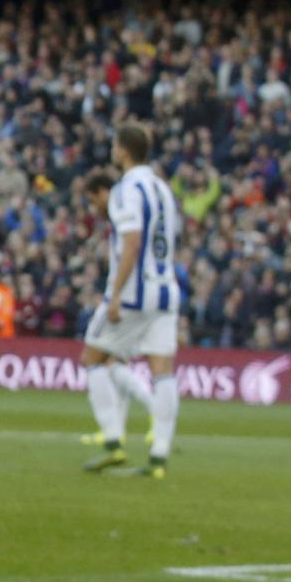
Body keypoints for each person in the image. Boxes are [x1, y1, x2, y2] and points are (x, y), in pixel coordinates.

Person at [76, 125, 180, 477]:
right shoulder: (163, 189)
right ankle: (159, 458)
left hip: (136, 290)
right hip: (167, 286)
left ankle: (113, 442)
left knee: (92, 357)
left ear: (122, 151)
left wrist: (117, 292)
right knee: (162, 370)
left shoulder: (125, 189)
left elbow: (132, 241)